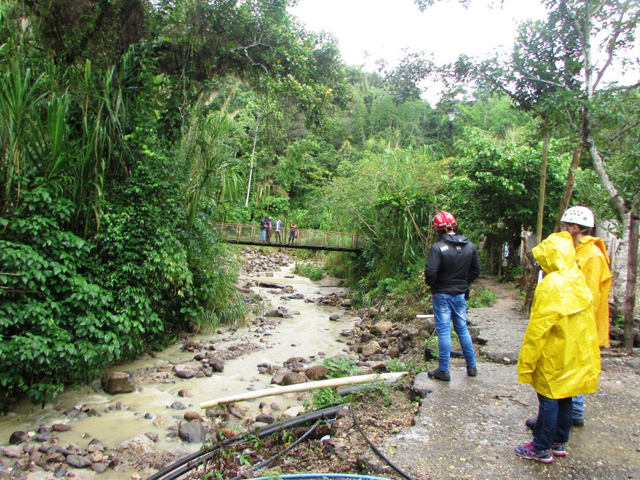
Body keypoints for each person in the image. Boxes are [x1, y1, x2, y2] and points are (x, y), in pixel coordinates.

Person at [515, 231, 601, 463]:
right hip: (574, 350)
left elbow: (539, 327)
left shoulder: (551, 284)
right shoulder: (577, 278)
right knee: (566, 395)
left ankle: (540, 446)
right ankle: (559, 441)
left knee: (548, 397)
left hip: (554, 350)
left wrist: (528, 359)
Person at [525, 205, 611, 429]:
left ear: (575, 228)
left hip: (577, 322)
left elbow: (587, 295)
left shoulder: (591, 255)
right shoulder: (578, 250)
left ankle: (567, 418)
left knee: (566, 374)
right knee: (565, 372)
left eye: (564, 226)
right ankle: (557, 422)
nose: (562, 230)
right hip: (572, 319)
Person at [424, 211, 480, 381]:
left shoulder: (438, 248)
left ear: (437, 229)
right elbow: (476, 270)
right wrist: (464, 283)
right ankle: (471, 366)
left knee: (444, 331)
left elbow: (430, 272)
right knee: (462, 329)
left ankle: (443, 370)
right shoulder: (470, 246)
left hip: (442, 294)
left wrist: (435, 286)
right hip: (460, 294)